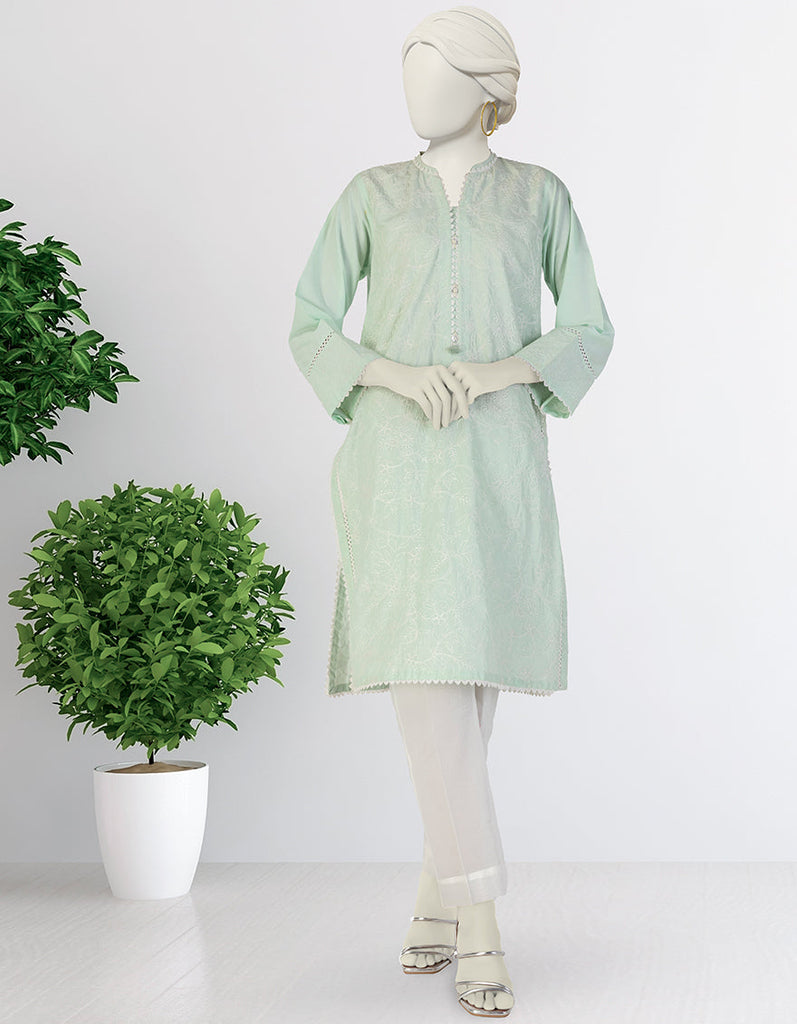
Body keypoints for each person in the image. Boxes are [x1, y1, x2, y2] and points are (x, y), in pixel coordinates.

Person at [288, 6, 614, 1017]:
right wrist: (392, 372)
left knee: (465, 699)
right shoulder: (371, 194)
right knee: (428, 687)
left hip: (498, 467)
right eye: (407, 69)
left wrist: (497, 371)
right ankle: (480, 927)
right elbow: (309, 322)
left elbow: (588, 327)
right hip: (393, 468)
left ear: (488, 90)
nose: (412, 89)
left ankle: (434, 899)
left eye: (433, 71)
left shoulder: (540, 196)